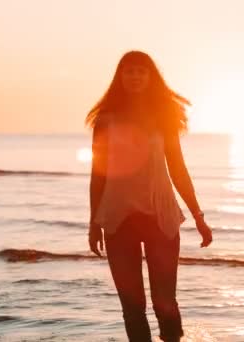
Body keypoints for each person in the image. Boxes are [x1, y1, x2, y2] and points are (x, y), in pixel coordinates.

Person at [86, 50, 213, 342]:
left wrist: (198, 216)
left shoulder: (163, 118)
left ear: (150, 77)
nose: (134, 76)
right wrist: (94, 222)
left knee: (164, 303)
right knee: (132, 307)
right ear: (120, 77)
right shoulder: (106, 119)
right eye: (128, 71)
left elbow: (178, 169)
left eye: (141, 71)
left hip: (161, 217)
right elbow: (98, 174)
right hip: (118, 219)